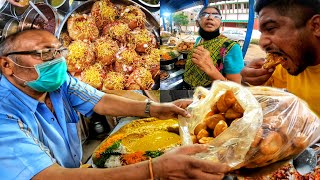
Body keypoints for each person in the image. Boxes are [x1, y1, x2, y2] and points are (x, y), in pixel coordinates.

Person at [0, 30, 229, 180]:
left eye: (59, 51)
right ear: (7, 65)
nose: (58, 60)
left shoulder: (58, 84)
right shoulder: (4, 114)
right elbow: (48, 176)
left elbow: (101, 101)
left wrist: (157, 109)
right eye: (44, 53)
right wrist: (153, 169)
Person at [240, 0, 320, 116]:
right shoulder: (283, 67)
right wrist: (249, 79)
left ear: (316, 26)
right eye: (262, 33)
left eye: (271, 28)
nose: (262, 43)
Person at [184, 6, 244, 89]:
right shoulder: (198, 40)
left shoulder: (231, 47)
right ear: (197, 23)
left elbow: (236, 88)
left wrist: (212, 70)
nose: (210, 17)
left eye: (216, 16)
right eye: (205, 14)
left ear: (220, 24)